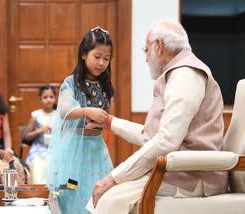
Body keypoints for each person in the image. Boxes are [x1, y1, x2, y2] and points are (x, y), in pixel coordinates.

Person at [86, 19, 228, 214]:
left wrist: (113, 178)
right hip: (176, 172)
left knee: (108, 198)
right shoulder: (178, 74)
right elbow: (153, 136)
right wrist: (110, 122)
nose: (146, 58)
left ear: (159, 46)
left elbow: (166, 141)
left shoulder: (186, 75)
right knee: (108, 194)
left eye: (146, 50)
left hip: (192, 178)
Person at [45, 26, 115, 214]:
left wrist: (103, 121)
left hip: (96, 149)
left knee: (98, 195)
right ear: (84, 54)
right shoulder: (72, 82)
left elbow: (109, 116)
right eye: (97, 56)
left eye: (106, 59)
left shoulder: (106, 85)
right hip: (75, 149)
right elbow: (65, 111)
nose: (101, 63)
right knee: (73, 194)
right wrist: (86, 111)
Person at [23, 84, 57, 184]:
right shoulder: (36, 115)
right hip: (39, 148)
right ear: (40, 99)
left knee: (53, 163)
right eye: (45, 97)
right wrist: (39, 131)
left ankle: (53, 192)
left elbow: (65, 134)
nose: (48, 100)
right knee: (38, 164)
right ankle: (39, 189)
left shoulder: (58, 115)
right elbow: (27, 136)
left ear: (55, 98)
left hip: (54, 148)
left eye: (51, 97)